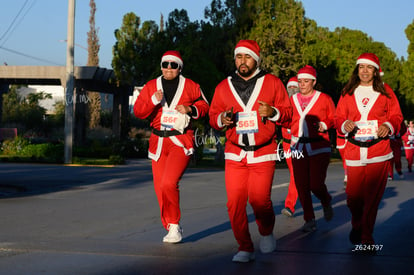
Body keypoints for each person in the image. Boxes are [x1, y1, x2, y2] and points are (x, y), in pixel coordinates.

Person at [209, 40, 292, 262]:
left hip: (263, 152)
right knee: (235, 202)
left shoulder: (272, 82)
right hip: (235, 153)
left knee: (259, 200)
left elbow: (287, 112)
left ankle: (266, 231)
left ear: (256, 58)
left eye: (247, 57)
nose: (242, 61)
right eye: (238, 57)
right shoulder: (223, 86)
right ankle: (244, 246)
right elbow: (213, 115)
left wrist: (273, 111)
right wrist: (221, 119)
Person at [133, 50, 209, 243]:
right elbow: (138, 111)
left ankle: (174, 225)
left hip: (180, 141)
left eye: (173, 65)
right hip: (158, 142)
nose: (168, 68)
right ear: (161, 66)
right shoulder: (151, 86)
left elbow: (206, 106)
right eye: (165, 64)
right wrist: (152, 101)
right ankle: (169, 225)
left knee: (169, 183)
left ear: (179, 68)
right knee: (160, 188)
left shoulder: (191, 86)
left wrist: (191, 109)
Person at [335, 53, 403, 249]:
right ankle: (357, 223)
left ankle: (366, 238)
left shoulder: (386, 92)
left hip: (379, 152)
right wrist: (344, 124)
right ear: (357, 70)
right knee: (353, 198)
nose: (364, 71)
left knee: (372, 199)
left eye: (369, 67)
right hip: (355, 151)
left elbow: (397, 116)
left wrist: (389, 126)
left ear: (375, 71)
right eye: (361, 67)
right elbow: (338, 117)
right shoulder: (347, 92)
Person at [289, 65, 335, 232]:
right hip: (298, 146)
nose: (302, 84)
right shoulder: (292, 100)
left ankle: (325, 200)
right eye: (300, 81)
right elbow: (285, 119)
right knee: (301, 185)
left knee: (315, 184)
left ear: (314, 82)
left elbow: (334, 118)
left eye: (306, 81)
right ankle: (309, 219)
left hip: (319, 146)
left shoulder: (324, 99)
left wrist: (325, 124)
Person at [281, 76, 299, 217]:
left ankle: (289, 205)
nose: (292, 90)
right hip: (287, 145)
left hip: (301, 143)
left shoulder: (304, 103)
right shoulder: (283, 103)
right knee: (296, 174)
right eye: (290, 88)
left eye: (295, 87)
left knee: (296, 174)